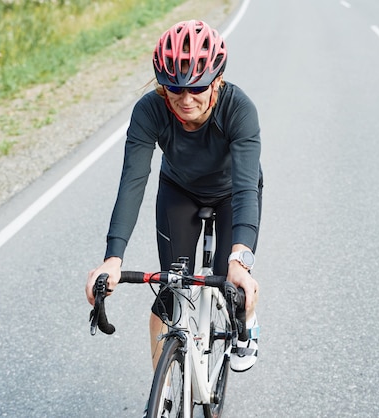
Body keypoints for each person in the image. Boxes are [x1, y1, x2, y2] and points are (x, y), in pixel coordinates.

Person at [85, 20, 262, 374]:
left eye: (197, 87)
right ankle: (164, 396)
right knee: (172, 289)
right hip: (179, 190)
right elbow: (132, 181)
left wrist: (240, 261)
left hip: (231, 195)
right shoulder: (149, 110)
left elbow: (245, 188)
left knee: (230, 285)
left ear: (217, 81)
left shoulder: (239, 109)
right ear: (160, 85)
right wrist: (112, 258)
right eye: (173, 88)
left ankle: (249, 322)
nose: (185, 100)